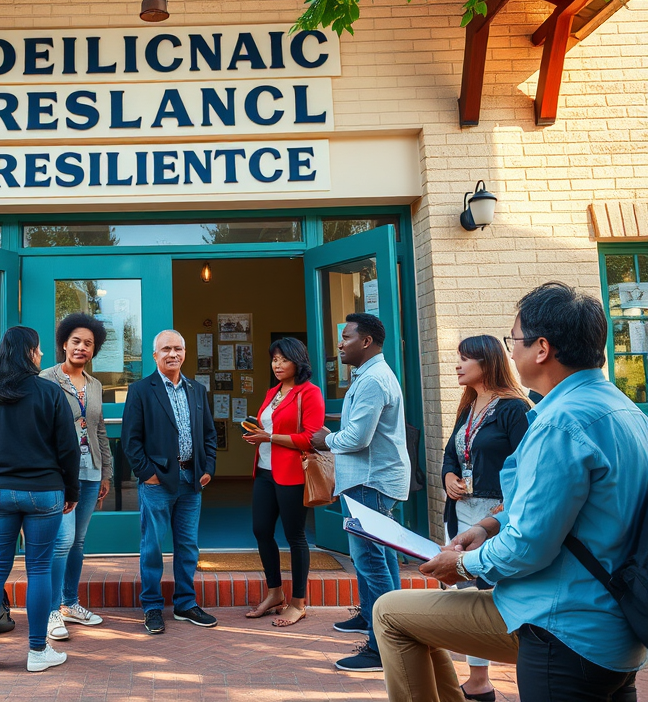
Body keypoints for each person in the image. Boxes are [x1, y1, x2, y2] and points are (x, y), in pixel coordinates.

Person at [374, 282, 648, 702]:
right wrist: (487, 525)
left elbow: (530, 545)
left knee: (389, 613)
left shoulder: (559, 423)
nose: (511, 351)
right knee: (401, 616)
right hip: (615, 627)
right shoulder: (624, 410)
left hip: (561, 626)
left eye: (513, 340)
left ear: (542, 349)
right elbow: (566, 505)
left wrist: (464, 565)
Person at [0, 326, 80, 673]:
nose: (39, 355)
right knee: (38, 569)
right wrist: (72, 491)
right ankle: (37, 653)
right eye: (36, 350)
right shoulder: (50, 393)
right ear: (28, 353)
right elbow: (69, 450)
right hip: (44, 492)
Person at [309, 312, 409, 672]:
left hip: (371, 483)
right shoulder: (370, 375)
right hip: (370, 481)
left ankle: (385, 645)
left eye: (346, 337)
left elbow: (357, 438)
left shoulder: (372, 380)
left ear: (366, 341)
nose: (339, 344)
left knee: (370, 560)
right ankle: (374, 616)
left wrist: (326, 439)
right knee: (380, 557)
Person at [442, 335, 531, 701]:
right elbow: (451, 453)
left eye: (465, 359)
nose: (458, 365)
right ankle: (478, 680)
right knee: (467, 596)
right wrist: (448, 477)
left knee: (494, 596)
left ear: (487, 361)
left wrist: (507, 506)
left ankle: (523, 672)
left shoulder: (514, 408)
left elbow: (529, 467)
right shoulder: (468, 406)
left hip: (495, 518)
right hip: (463, 514)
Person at [122, 329, 218, 635]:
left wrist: (209, 466)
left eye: (178, 348)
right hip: (157, 482)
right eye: (166, 349)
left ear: (185, 353)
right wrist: (147, 473)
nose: (172, 354)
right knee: (152, 546)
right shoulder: (141, 390)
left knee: (188, 546)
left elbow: (209, 435)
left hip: (192, 480)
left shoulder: (197, 390)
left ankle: (185, 603)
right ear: (155, 355)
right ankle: (152, 606)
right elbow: (130, 440)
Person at [241, 337, 324, 627]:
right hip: (264, 472)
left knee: (295, 537)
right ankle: (275, 593)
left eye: (283, 359)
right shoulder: (272, 391)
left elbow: (311, 438)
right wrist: (256, 435)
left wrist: (269, 437)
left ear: (297, 361)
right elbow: (268, 428)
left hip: (292, 474)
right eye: (274, 359)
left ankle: (298, 603)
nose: (277, 364)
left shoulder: (310, 393)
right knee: (261, 531)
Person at [40, 313, 112, 642]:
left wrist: (106, 472)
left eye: (89, 344)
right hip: (59, 473)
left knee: (79, 542)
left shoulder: (95, 385)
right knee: (62, 542)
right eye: (76, 342)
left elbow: (99, 431)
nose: (82, 348)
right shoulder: (47, 378)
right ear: (64, 344)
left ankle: (70, 603)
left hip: (91, 471)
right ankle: (52, 610)